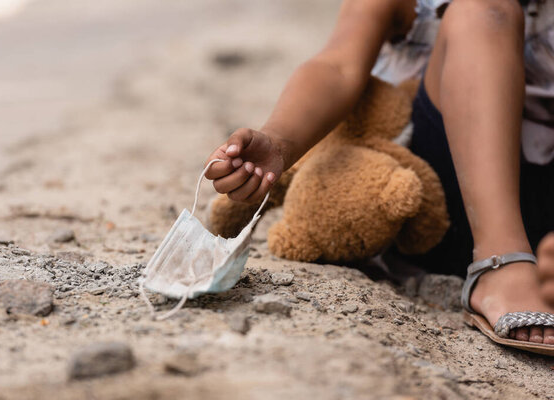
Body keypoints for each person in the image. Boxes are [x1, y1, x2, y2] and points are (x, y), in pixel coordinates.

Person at [204, 0, 554, 345]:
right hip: (447, 205)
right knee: (483, 10)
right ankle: (499, 262)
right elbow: (338, 66)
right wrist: (279, 141)